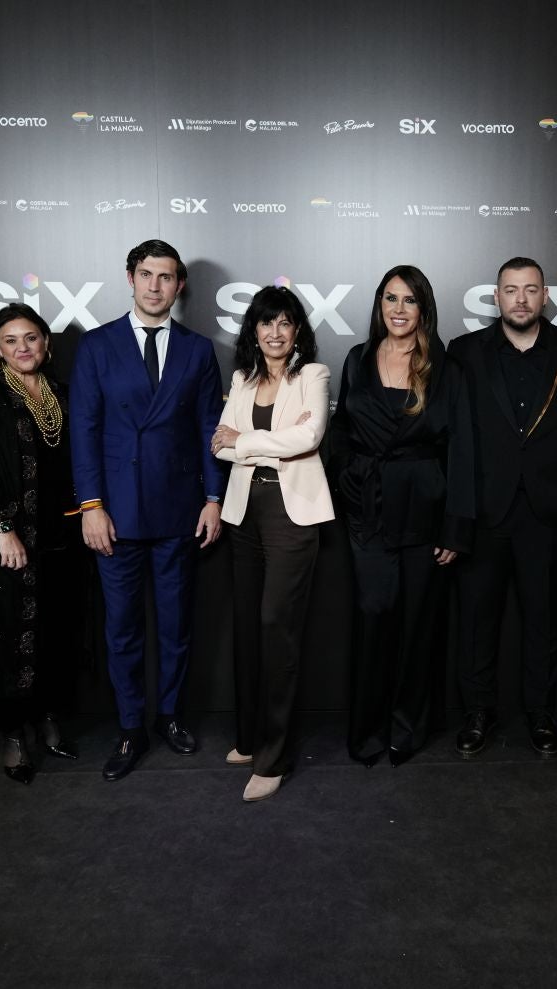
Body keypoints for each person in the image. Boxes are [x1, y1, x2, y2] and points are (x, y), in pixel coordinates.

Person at [70, 239, 227, 781]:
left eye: (166, 277)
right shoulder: (95, 346)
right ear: (130, 279)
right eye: (146, 275)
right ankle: (131, 727)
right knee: (122, 629)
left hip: (179, 511)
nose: (155, 286)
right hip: (114, 515)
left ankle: (170, 716)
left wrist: (214, 498)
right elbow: (84, 432)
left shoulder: (198, 350)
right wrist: (91, 505)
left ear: (179, 285)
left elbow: (210, 428)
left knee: (176, 625)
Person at [447, 257, 557, 758]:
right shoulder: (464, 352)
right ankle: (477, 712)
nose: (521, 299)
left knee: (543, 620)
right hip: (486, 509)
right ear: (496, 295)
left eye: (530, 289)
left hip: (549, 510)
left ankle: (541, 712)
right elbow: (457, 441)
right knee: (477, 620)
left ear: (546, 294)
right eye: (511, 290)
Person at [328, 264, 475, 766]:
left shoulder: (446, 368)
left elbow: (463, 450)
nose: (397, 309)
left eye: (408, 300)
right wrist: (347, 474)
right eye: (390, 298)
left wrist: (456, 526)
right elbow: (342, 428)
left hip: (425, 511)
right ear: (379, 305)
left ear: (423, 309)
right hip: (367, 508)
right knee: (373, 619)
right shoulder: (357, 359)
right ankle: (366, 728)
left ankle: (406, 727)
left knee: (416, 626)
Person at [0, 304, 86, 785]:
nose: (22, 348)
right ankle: (14, 735)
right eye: (11, 340)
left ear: (46, 344)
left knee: (56, 628)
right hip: (9, 537)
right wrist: (1, 527)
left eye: (30, 338)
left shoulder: (64, 394)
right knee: (10, 635)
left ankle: (49, 716)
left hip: (62, 534)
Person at [211, 286, 332, 801]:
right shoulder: (241, 379)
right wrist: (250, 445)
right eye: (266, 323)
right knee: (246, 629)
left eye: (285, 322)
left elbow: (310, 438)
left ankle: (275, 756)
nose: (275, 332)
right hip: (244, 514)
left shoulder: (313, 378)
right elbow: (218, 442)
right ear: (254, 331)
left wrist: (245, 443)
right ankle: (251, 738)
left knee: (275, 626)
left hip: (292, 516)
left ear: (297, 330)